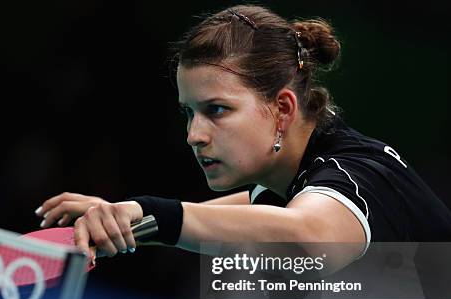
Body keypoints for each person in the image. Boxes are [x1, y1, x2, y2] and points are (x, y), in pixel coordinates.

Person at [34, 4, 451, 273]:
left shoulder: (355, 174)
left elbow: (307, 240)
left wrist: (151, 212)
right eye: (188, 113)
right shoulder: (288, 180)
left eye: (217, 110)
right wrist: (129, 221)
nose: (194, 136)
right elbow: (236, 217)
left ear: (283, 109)